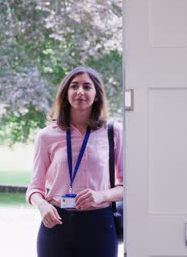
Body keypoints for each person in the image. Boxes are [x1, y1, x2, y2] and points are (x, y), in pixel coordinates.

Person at [26, 66, 123, 257]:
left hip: (99, 225)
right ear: (66, 93)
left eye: (87, 87)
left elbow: (129, 186)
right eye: (74, 86)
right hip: (56, 224)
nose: (80, 91)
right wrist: (42, 205)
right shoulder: (46, 135)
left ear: (96, 95)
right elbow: (34, 189)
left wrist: (101, 195)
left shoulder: (114, 132)